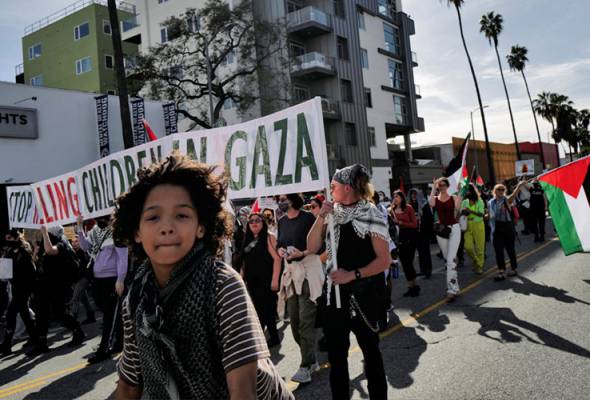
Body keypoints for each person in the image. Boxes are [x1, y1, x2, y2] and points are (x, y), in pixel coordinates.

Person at [113, 154, 293, 400]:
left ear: (201, 226)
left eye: (182, 215)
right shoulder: (135, 297)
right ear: (136, 231)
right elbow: (128, 385)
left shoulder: (221, 285)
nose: (167, 227)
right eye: (153, 217)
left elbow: (243, 392)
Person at [307, 164, 390, 400]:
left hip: (364, 296)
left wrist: (352, 275)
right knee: (337, 359)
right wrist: (321, 216)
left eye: (333, 186)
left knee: (371, 354)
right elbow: (312, 247)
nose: (330, 189)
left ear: (347, 187)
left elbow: (384, 260)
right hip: (334, 297)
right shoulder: (331, 213)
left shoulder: (371, 213)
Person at [276, 192, 324, 383]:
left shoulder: (307, 218)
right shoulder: (281, 221)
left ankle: (305, 366)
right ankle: (311, 360)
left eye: (284, 199)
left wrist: (301, 252)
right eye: (279, 199)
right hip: (291, 275)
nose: (281, 202)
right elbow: (280, 243)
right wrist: (281, 250)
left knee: (305, 321)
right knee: (294, 323)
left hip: (307, 273)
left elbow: (318, 246)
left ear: (294, 199)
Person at [76, 215, 128, 364]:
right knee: (110, 313)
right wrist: (80, 228)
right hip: (98, 279)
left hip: (112, 280)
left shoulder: (117, 233)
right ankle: (120, 342)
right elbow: (86, 247)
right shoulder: (95, 230)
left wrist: (120, 279)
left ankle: (103, 349)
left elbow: (122, 258)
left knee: (109, 315)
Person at [28, 225, 86, 356]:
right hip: (44, 285)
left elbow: (50, 251)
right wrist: (36, 252)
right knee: (41, 314)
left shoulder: (61, 243)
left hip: (57, 286)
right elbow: (40, 260)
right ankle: (41, 343)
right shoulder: (45, 244)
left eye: (48, 233)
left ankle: (78, 331)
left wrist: (44, 232)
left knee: (59, 313)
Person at [240, 212, 282, 347]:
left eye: (257, 220)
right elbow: (245, 260)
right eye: (251, 221)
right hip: (252, 281)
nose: (254, 223)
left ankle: (273, 338)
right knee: (257, 310)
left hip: (267, 280)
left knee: (268, 310)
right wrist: (242, 276)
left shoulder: (269, 237)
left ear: (263, 222)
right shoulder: (247, 238)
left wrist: (275, 280)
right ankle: (261, 339)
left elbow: (277, 259)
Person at [0, 229, 37, 356]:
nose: (7, 240)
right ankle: (35, 338)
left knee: (11, 314)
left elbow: (32, 272)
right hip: (15, 287)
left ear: (16, 238)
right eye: (6, 238)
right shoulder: (10, 252)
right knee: (25, 314)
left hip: (24, 288)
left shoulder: (24, 251)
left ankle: (6, 344)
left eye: (9, 238)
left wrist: (32, 289)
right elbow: (6, 272)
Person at [429, 177, 462, 301]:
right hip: (441, 231)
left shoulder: (453, 197)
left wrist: (459, 192)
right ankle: (456, 287)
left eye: (443, 185)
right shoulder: (436, 199)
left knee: (449, 261)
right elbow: (431, 203)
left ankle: (451, 290)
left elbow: (458, 208)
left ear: (448, 186)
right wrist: (433, 187)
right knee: (448, 260)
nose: (441, 187)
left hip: (454, 229)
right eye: (439, 185)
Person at [488, 181, 528, 281]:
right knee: (498, 251)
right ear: (494, 191)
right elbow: (489, 215)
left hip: (507, 226)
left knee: (510, 249)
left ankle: (513, 269)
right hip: (496, 227)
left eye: (503, 189)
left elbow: (513, 196)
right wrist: (485, 216)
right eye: (499, 189)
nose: (501, 191)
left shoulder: (506, 200)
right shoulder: (490, 202)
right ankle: (501, 271)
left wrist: (518, 186)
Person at [390, 190, 420, 297]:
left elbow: (414, 224)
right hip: (400, 238)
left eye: (397, 196)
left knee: (409, 262)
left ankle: (414, 286)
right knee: (404, 262)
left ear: (402, 198)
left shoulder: (408, 208)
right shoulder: (392, 210)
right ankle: (411, 286)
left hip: (410, 237)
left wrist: (401, 222)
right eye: (394, 196)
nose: (395, 198)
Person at [69, 235, 96, 324]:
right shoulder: (73, 252)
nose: (74, 243)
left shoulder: (84, 252)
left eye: (76, 241)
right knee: (84, 298)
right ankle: (91, 316)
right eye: (73, 242)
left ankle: (73, 319)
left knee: (75, 298)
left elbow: (86, 265)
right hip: (77, 278)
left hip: (84, 277)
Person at [460, 184, 486, 274]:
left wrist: (470, 211)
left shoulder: (480, 201)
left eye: (466, 190)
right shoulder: (465, 201)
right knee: (468, 247)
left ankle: (479, 267)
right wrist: (463, 212)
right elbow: (461, 213)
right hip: (467, 225)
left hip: (478, 224)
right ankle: (477, 262)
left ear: (471, 191)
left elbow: (481, 214)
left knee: (480, 248)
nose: (465, 192)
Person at [409, 189, 433, 278]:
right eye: (412, 195)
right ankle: (423, 269)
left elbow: (429, 218)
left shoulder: (424, 204)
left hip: (424, 231)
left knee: (425, 251)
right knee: (420, 252)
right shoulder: (410, 205)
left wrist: (420, 218)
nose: (413, 196)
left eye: (415, 194)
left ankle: (428, 270)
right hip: (415, 232)